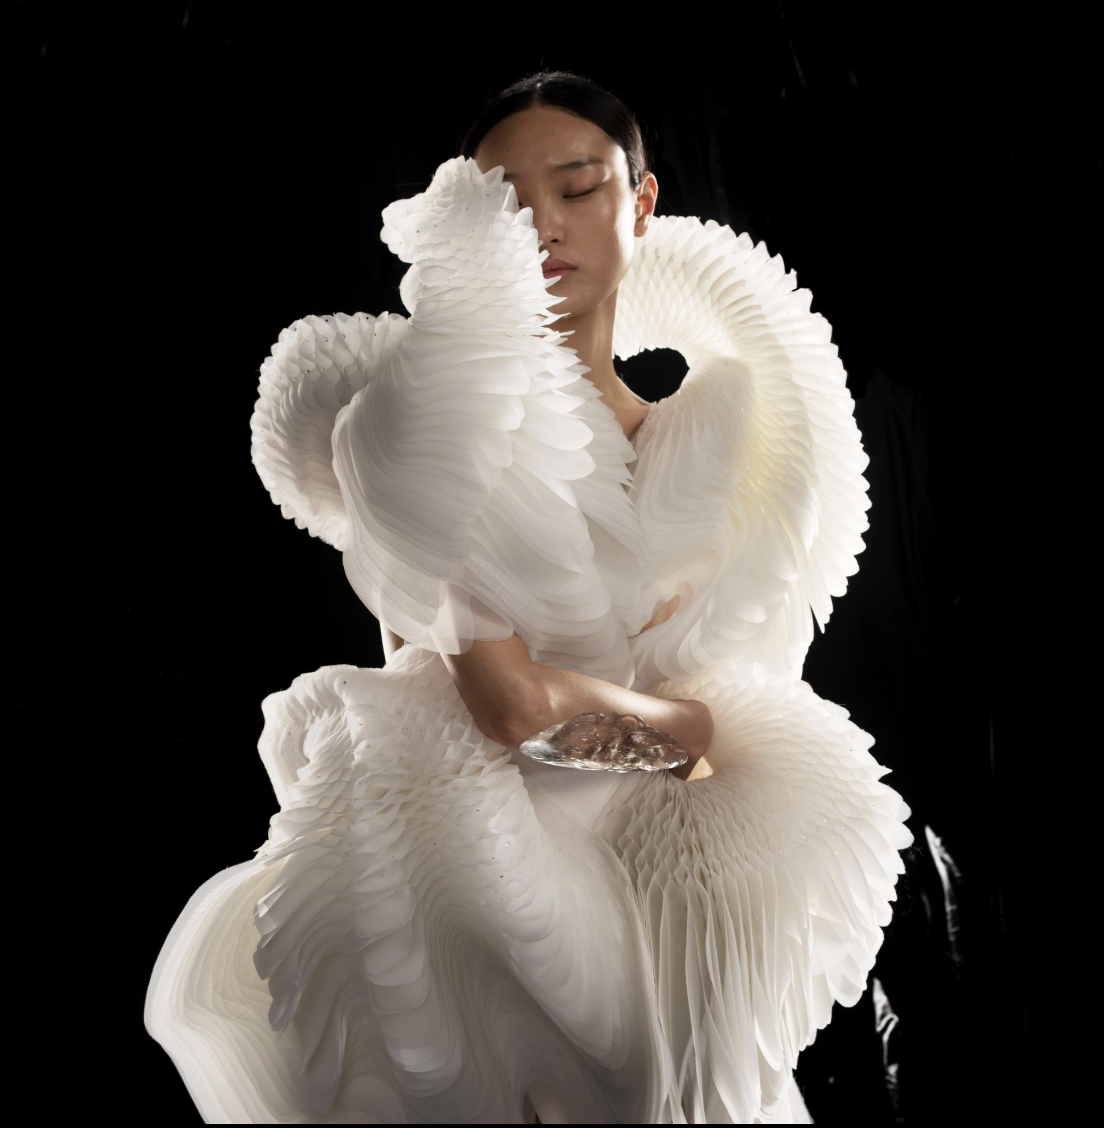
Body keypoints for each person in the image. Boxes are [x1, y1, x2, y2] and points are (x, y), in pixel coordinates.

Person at [146, 71, 912, 1124]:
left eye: (579, 188)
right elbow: (506, 706)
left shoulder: (722, 438)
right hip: (483, 890)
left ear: (641, 202)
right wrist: (696, 734)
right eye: (506, 203)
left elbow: (740, 661)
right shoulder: (426, 436)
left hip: (678, 896)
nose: (544, 226)